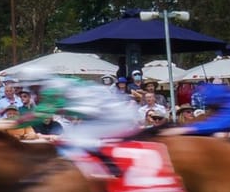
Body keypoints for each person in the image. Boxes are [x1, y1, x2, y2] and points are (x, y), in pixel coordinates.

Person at [9, 71, 146, 167]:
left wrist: (10, 124)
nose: (32, 92)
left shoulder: (51, 90)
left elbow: (37, 116)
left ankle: (111, 172)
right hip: (104, 115)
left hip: (114, 117)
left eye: (32, 88)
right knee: (71, 139)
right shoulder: (57, 84)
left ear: (38, 84)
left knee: (75, 141)